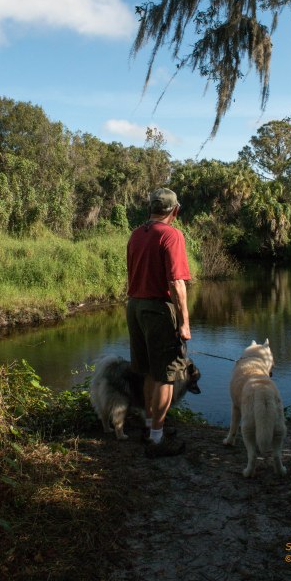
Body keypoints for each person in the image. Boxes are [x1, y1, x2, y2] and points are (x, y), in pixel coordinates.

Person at [126, 187, 191, 458]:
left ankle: (150, 426)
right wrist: (184, 322)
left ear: (151, 209)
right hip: (158, 310)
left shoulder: (136, 234)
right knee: (166, 375)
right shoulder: (172, 235)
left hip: (135, 307)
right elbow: (176, 282)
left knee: (149, 371)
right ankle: (156, 440)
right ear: (174, 211)